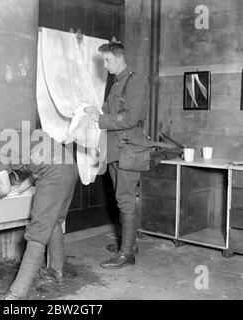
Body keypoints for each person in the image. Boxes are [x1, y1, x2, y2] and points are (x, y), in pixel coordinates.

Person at [0, 129, 78, 299]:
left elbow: (3, 188)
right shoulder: (4, 138)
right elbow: (37, 164)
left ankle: (17, 293)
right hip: (68, 165)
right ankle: (56, 272)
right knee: (54, 221)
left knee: (36, 234)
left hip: (53, 173)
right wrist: (20, 189)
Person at [85, 41, 148, 269]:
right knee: (122, 199)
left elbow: (130, 118)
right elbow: (111, 112)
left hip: (129, 150)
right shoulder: (117, 82)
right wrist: (95, 113)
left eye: (107, 60)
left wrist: (100, 119)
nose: (105, 65)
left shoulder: (136, 81)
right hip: (116, 149)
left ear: (119, 58)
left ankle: (126, 254)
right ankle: (128, 245)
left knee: (126, 200)